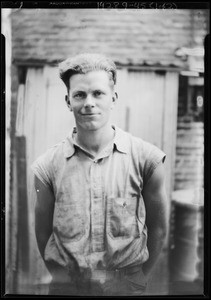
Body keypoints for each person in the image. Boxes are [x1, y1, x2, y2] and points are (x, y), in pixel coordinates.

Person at [31, 53, 168, 296]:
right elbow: (43, 232)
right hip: (69, 288)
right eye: (79, 95)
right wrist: (64, 278)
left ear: (113, 98)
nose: (89, 102)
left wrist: (137, 280)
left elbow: (158, 228)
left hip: (125, 287)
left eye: (98, 93)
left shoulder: (147, 159)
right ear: (68, 101)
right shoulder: (47, 166)